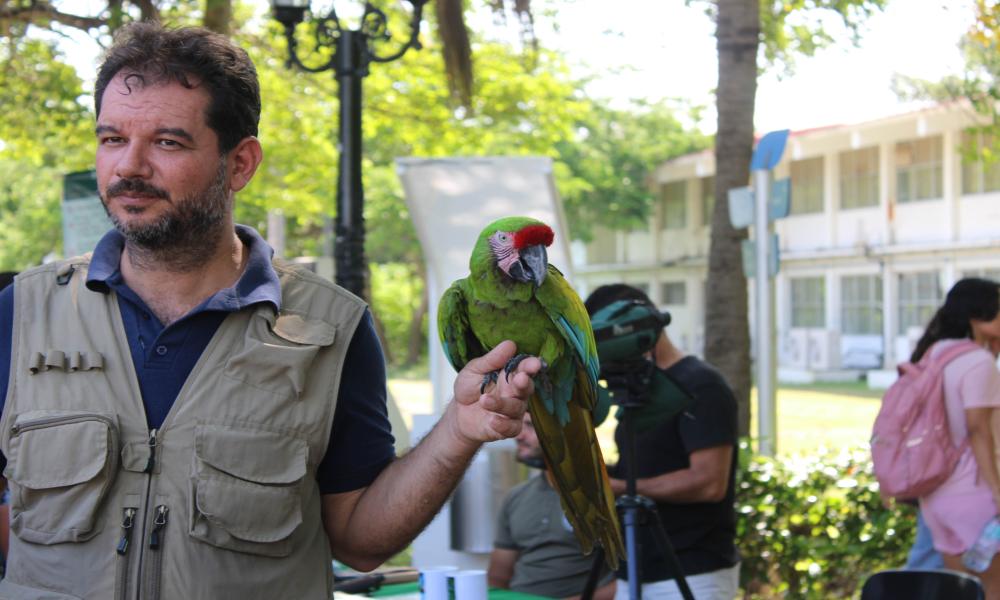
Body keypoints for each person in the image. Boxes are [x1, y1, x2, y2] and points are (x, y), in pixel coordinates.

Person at [0, 23, 539, 599]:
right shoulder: (22, 313)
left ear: (240, 164)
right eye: (111, 139)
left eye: (167, 142)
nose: (128, 167)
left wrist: (458, 432)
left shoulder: (333, 328)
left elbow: (360, 541)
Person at [583, 284, 740, 600]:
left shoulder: (702, 385)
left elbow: (710, 483)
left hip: (692, 573)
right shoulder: (638, 387)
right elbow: (645, 460)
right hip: (635, 571)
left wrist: (623, 488)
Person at [911, 278, 1000, 599]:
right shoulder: (979, 362)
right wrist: (997, 491)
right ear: (978, 317)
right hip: (974, 493)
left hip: (936, 496)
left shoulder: (935, 353)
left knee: (960, 590)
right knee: (993, 587)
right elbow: (978, 430)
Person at [488, 411, 617, 600]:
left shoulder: (606, 496)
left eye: (532, 426)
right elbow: (498, 578)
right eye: (520, 425)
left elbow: (629, 583)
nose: (519, 435)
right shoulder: (516, 497)